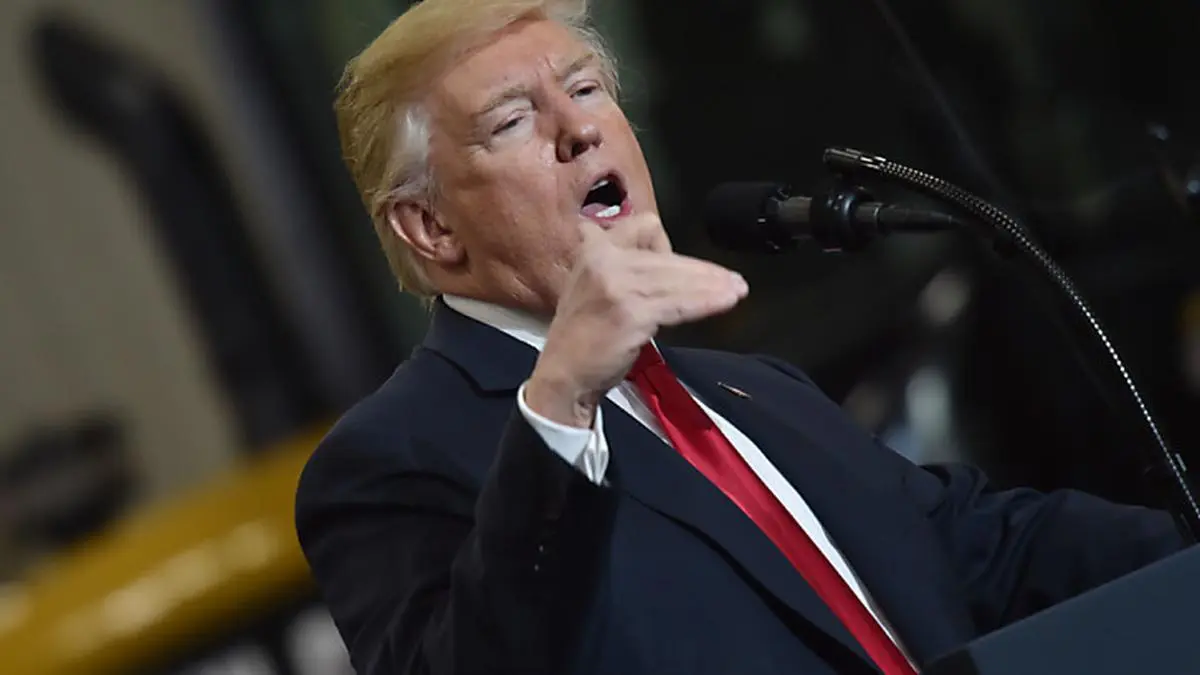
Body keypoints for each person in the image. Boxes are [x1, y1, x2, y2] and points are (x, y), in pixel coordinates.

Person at [294, 1, 1187, 673]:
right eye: (513, 121)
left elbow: (980, 543)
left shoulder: (752, 392)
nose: (579, 128)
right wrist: (561, 403)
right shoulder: (389, 462)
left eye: (585, 88)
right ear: (430, 229)